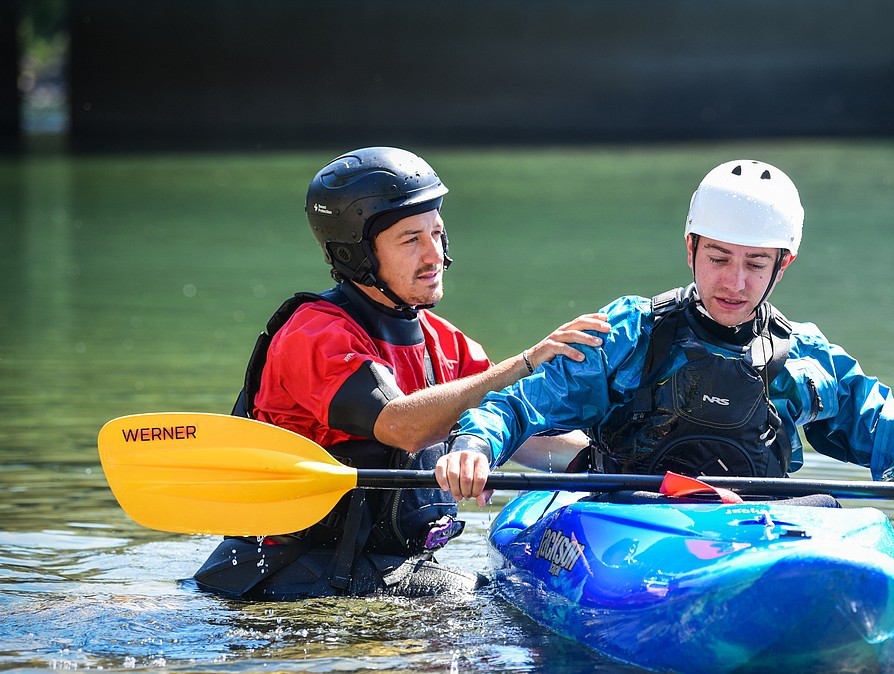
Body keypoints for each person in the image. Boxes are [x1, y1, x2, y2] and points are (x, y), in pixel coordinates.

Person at [436, 159, 894, 516]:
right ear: (690, 248)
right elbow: (518, 404)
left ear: (782, 265)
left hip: (749, 537)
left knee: (829, 507)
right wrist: (474, 448)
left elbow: (890, 438)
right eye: (718, 258)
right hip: (632, 522)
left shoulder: (805, 360)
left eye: (755, 264)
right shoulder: (629, 334)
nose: (734, 283)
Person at [192, 146, 608, 600]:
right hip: (282, 576)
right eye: (411, 240)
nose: (434, 255)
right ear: (356, 255)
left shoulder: (445, 342)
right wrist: (525, 363)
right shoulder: (313, 334)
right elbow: (401, 425)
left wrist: (607, 462)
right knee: (502, 604)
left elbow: (519, 431)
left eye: (438, 234)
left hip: (380, 572)